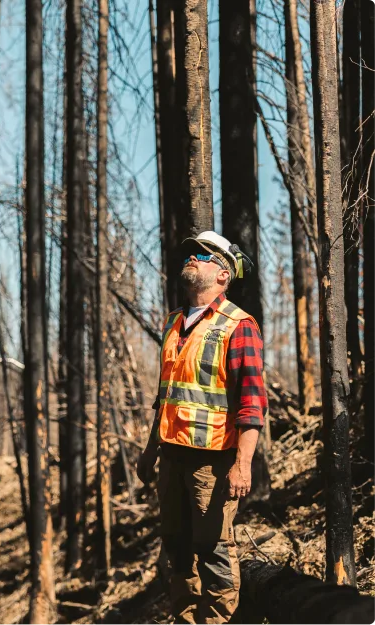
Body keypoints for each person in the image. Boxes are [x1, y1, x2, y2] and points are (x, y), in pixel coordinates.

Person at [137, 231, 268, 625]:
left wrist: (242, 463)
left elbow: (252, 401)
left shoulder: (238, 325)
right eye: (191, 253)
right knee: (177, 548)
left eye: (203, 255)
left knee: (213, 549)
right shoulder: (174, 323)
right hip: (171, 455)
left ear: (223, 274)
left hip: (212, 462)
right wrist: (150, 449)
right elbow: (166, 395)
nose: (192, 258)